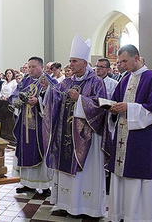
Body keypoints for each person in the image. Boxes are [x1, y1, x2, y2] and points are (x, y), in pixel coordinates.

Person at [41, 35, 108, 218]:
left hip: (87, 136)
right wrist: (51, 90)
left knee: (85, 174)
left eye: (74, 61)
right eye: (70, 61)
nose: (70, 64)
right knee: (66, 172)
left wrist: (80, 100)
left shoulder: (96, 82)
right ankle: (65, 204)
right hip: (65, 135)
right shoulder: (67, 82)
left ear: (85, 62)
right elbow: (55, 99)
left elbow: (101, 107)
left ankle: (87, 208)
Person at [107, 45, 152, 222]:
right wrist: (113, 110)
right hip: (122, 137)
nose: (122, 65)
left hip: (143, 138)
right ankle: (123, 214)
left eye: (125, 61)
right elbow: (115, 100)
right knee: (121, 176)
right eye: (120, 62)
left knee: (139, 177)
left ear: (137, 58)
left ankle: (141, 216)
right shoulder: (125, 80)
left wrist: (128, 108)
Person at [10, 56, 55, 195]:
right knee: (25, 152)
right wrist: (19, 100)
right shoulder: (25, 81)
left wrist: (39, 101)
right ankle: (27, 183)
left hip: (41, 126)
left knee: (41, 152)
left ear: (41, 67)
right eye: (29, 67)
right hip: (25, 125)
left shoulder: (48, 82)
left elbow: (55, 99)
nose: (30, 69)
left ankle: (45, 185)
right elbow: (14, 96)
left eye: (34, 67)